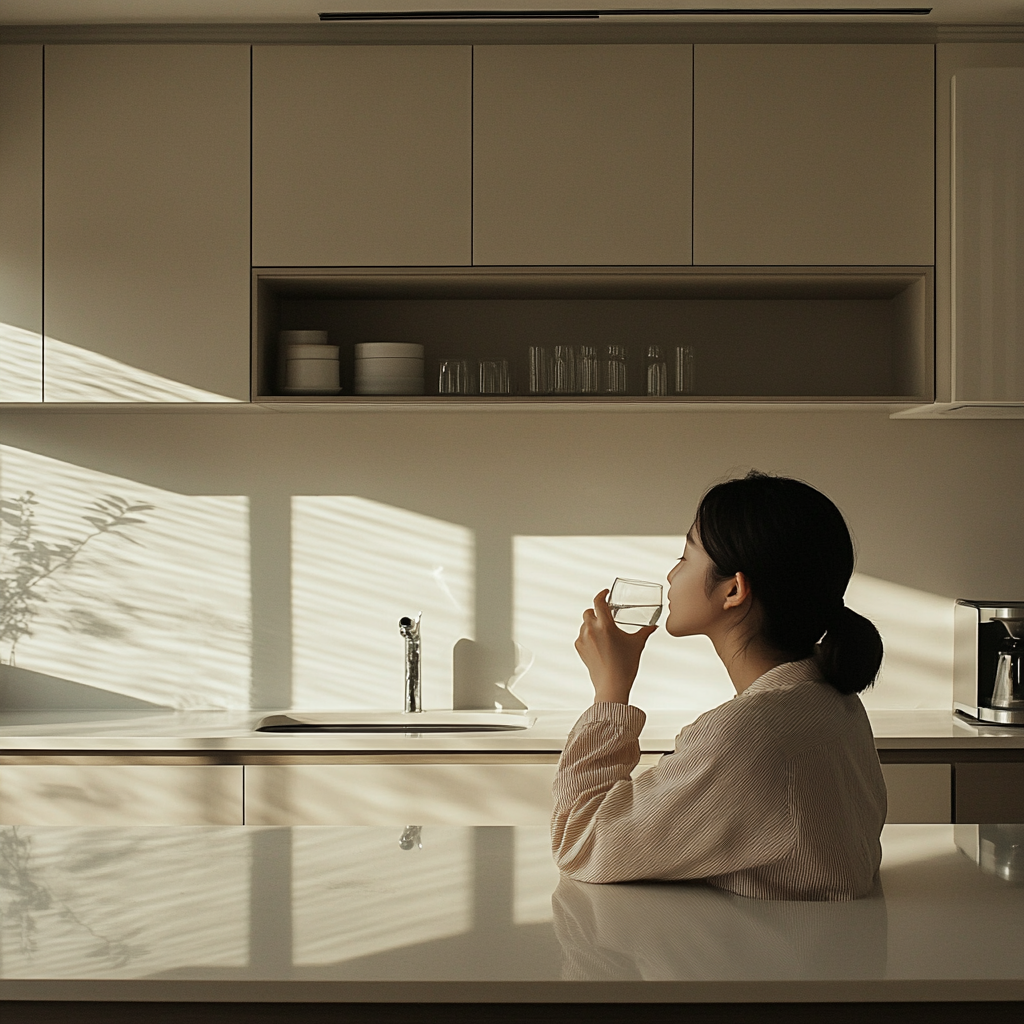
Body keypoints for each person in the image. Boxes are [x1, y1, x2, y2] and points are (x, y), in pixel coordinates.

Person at [551, 470, 887, 901]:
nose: (671, 575)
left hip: (772, 962)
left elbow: (580, 845)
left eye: (686, 556)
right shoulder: (829, 697)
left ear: (733, 590)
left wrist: (611, 691)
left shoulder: (748, 734)